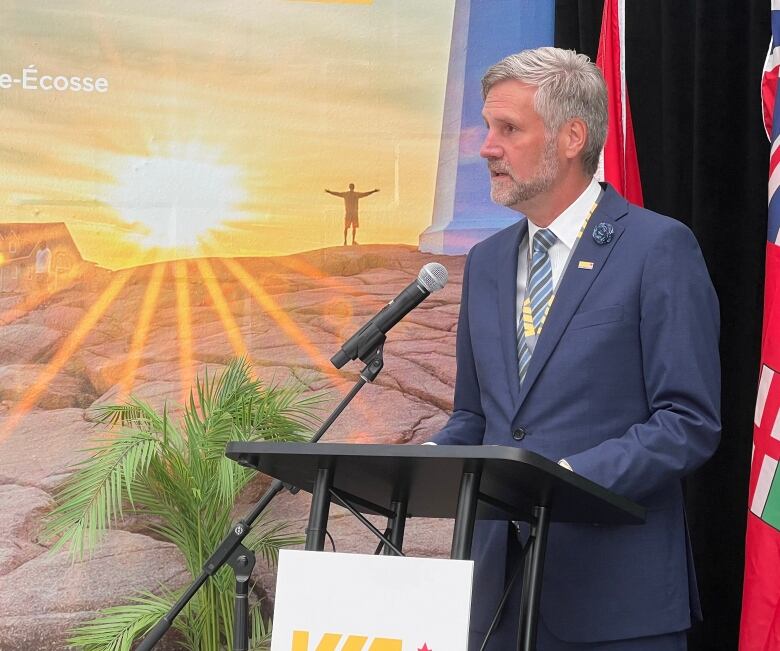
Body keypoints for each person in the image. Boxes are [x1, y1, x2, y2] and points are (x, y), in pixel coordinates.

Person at [428, 47, 720, 650]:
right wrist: (424, 461)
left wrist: (564, 479)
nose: (486, 146)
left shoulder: (657, 248)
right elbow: (475, 417)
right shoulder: (483, 265)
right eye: (488, 127)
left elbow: (687, 422)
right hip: (495, 608)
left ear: (571, 137)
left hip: (616, 608)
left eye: (508, 128)